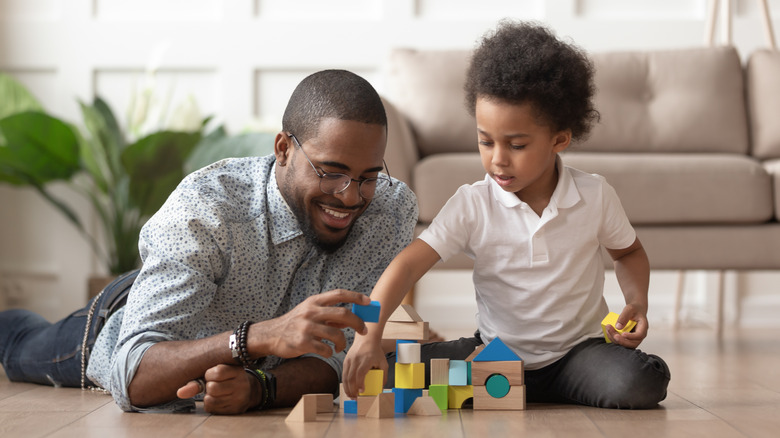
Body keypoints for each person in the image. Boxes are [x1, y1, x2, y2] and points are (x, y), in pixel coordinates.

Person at [0, 69, 419, 414]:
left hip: (221, 339)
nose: (350, 196)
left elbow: (337, 355)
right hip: (124, 322)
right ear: (283, 149)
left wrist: (260, 387)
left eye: (367, 176)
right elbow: (132, 376)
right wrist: (254, 338)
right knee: (16, 342)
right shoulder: (206, 208)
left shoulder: (389, 212)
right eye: (331, 171)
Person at [342, 21, 670, 409]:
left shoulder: (594, 195)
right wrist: (368, 337)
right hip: (495, 353)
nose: (497, 159)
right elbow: (407, 267)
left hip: (579, 356)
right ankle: (502, 384)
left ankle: (520, 391)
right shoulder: (473, 203)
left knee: (640, 383)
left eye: (516, 144)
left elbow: (627, 253)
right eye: (485, 141)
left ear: (559, 139)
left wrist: (638, 302)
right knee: (394, 369)